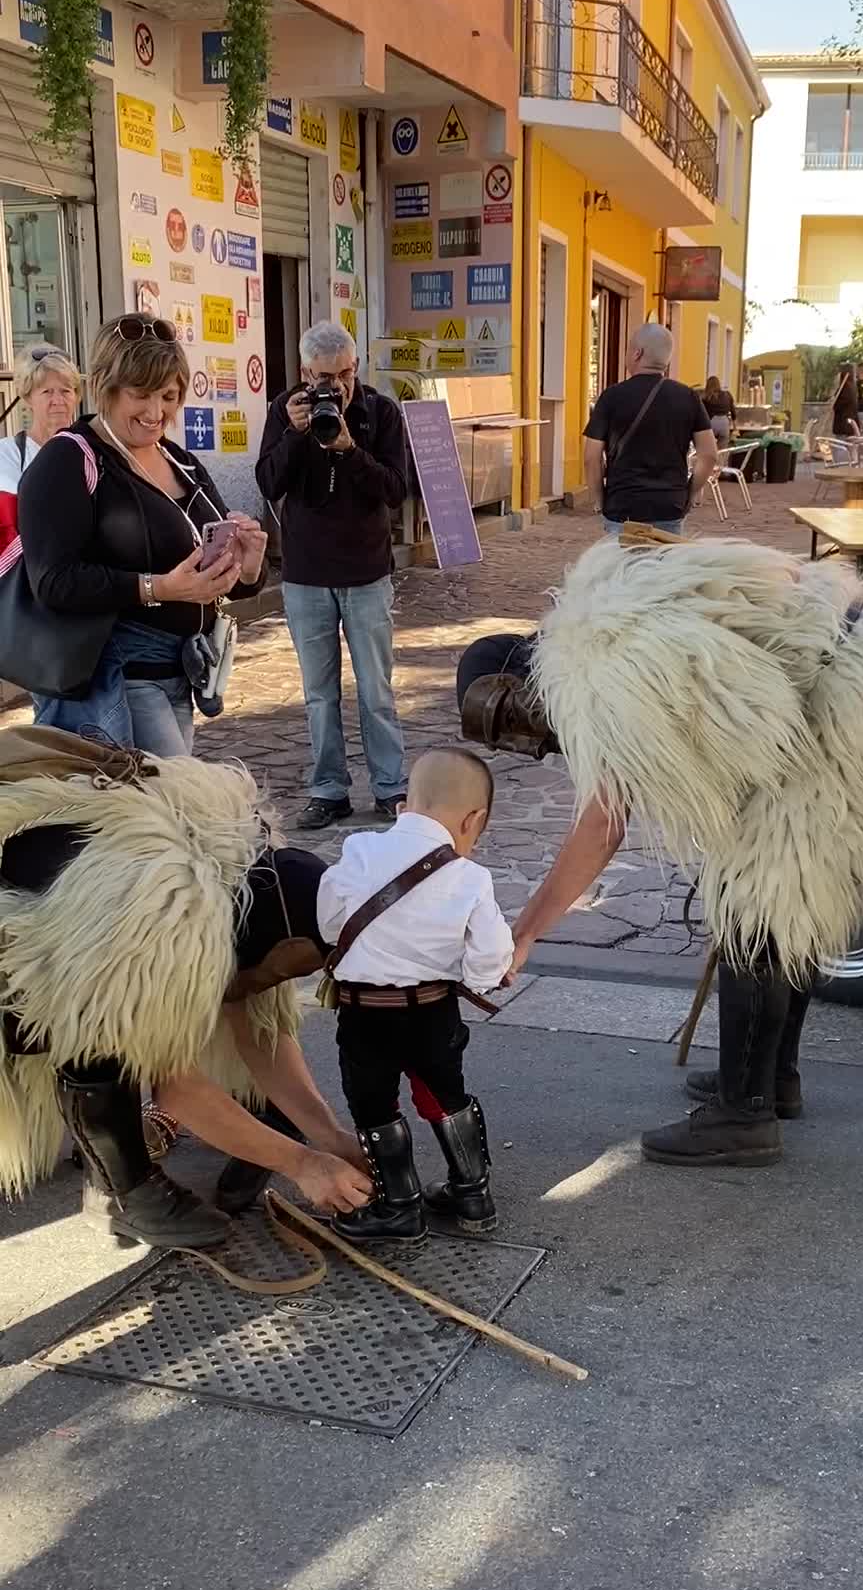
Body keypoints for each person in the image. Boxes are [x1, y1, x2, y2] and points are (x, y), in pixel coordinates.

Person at [457, 531, 863, 1169]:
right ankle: (771, 1078)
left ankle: (743, 1116)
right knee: (785, 895)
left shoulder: (596, 672)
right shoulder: (609, 612)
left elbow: (604, 824)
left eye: (520, 731)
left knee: (756, 906)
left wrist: (525, 931)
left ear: (521, 689)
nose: (540, 746)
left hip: (861, 695)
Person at [0, 725, 371, 1251]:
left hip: (63, 895)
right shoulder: (161, 909)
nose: (293, 978)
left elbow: (262, 1029)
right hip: (38, 923)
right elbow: (175, 1085)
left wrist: (328, 1135)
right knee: (103, 1039)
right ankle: (128, 1194)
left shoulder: (258, 872)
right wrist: (303, 1165)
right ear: (287, 944)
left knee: (115, 1012)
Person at [16, 314, 267, 756]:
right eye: (141, 394)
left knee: (172, 795)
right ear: (106, 387)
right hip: (118, 677)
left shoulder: (179, 459)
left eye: (168, 396)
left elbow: (218, 575)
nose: (156, 413)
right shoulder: (67, 460)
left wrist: (247, 569)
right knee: (178, 794)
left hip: (182, 672)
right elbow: (53, 581)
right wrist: (159, 588)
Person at [317, 747, 513, 1245]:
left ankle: (399, 1207)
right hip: (432, 1011)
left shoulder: (359, 850)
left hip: (363, 1013)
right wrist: (480, 978)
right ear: (474, 820)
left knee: (373, 1104)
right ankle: (473, 1196)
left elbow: (329, 922)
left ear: (405, 806)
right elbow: (491, 954)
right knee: (444, 1094)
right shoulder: (471, 877)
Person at [256, 321, 409, 832]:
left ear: (356, 366)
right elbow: (268, 482)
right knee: (319, 693)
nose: (336, 386)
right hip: (306, 575)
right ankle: (329, 790)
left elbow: (396, 489)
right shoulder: (285, 410)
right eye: (324, 377)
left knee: (376, 689)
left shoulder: (380, 412)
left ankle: (389, 787)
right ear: (305, 373)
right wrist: (295, 434)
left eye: (344, 374)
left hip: (366, 573)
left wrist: (349, 449)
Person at [584, 323, 717, 535]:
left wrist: (599, 499)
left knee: (621, 557)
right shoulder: (688, 397)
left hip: (622, 504)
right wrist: (689, 493)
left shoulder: (612, 397)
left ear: (637, 353)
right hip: (669, 506)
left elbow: (592, 457)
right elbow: (709, 455)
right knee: (665, 557)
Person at [0, 342, 81, 556]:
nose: (58, 400)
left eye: (66, 391)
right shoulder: (6, 456)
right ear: (27, 398)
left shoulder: (92, 453)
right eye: (47, 392)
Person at [702, 375, 736, 448]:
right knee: (722, 450)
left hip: (711, 423)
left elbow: (701, 414)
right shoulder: (727, 395)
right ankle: (721, 455)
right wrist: (735, 427)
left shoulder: (706, 397)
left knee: (708, 448)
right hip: (724, 424)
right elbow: (733, 412)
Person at [831, 363, 862, 440]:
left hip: (844, 422)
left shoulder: (846, 386)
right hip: (848, 421)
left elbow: (842, 402)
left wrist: (834, 404)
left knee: (842, 443)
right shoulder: (851, 385)